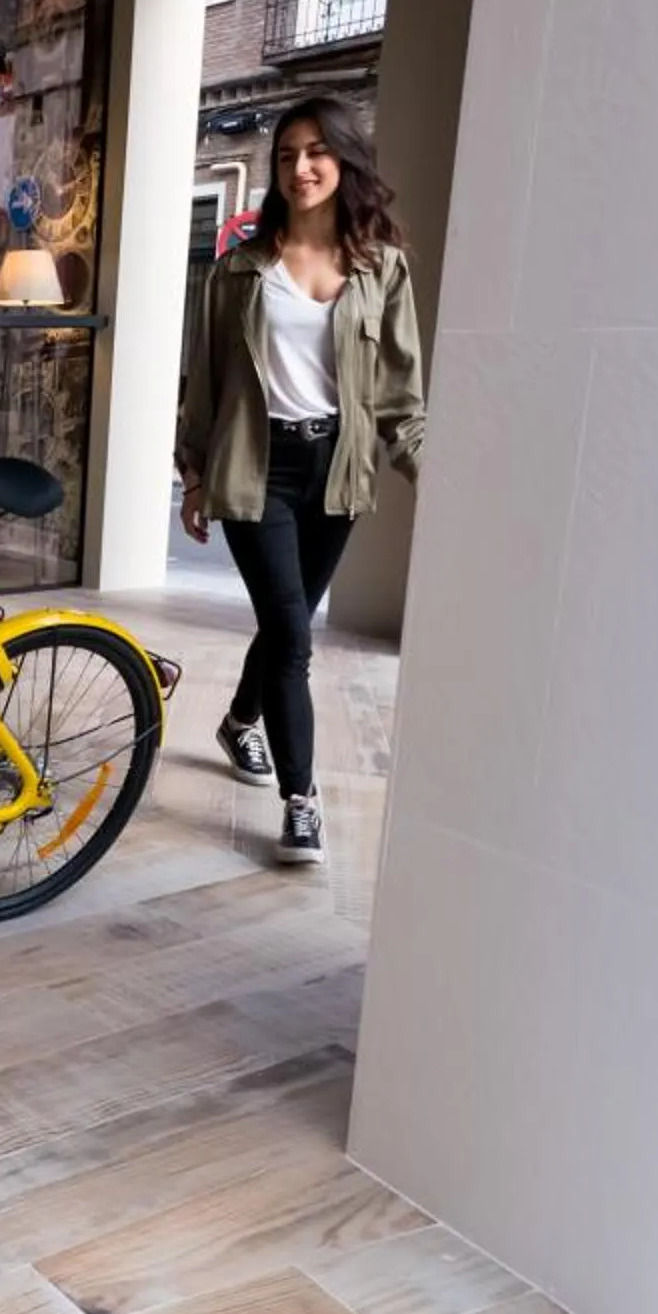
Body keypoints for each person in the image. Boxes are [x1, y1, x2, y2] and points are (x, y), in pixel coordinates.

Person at [174, 96, 427, 867]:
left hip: (337, 474)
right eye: (286, 155)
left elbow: (399, 395)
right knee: (292, 636)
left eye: (316, 151)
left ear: (344, 160)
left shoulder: (381, 268)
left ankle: (240, 718)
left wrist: (435, 476)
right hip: (258, 470)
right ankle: (301, 801)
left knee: (286, 624)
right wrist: (192, 476)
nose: (300, 167)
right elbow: (206, 385)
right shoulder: (237, 273)